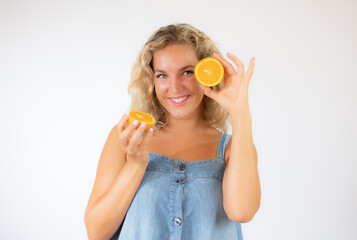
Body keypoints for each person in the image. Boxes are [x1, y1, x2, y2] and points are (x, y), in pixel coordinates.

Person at [84, 23, 261, 240]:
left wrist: (240, 112)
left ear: (206, 73)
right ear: (151, 80)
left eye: (187, 72)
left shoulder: (232, 148)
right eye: (162, 75)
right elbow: (96, 232)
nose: (175, 88)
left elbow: (241, 211)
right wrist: (136, 165)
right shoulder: (126, 137)